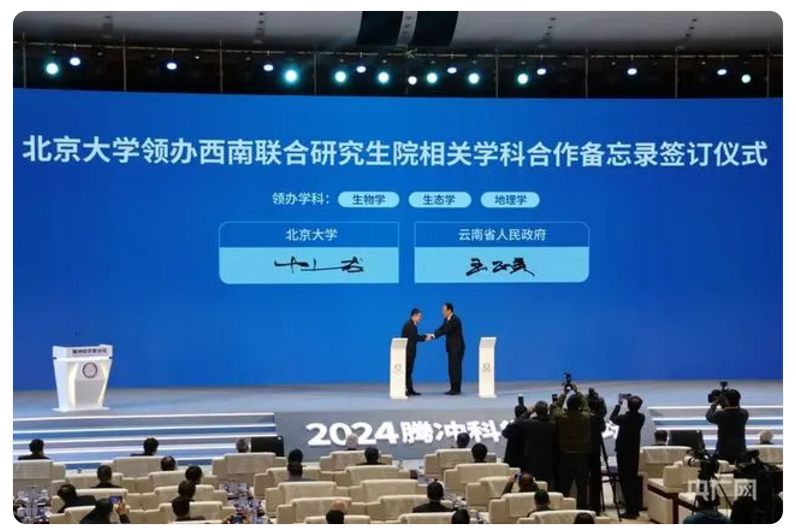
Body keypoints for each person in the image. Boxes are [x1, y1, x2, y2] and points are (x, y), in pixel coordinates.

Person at [551, 386, 591, 510]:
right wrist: (577, 391)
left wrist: (564, 393)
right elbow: (586, 405)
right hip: (581, 456)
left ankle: (564, 509)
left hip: (565, 456)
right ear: (579, 407)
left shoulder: (561, 417)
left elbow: (556, 407)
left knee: (564, 487)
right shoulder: (585, 417)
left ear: (567, 406)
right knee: (582, 487)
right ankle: (583, 510)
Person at [610, 394, 646, 519]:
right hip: (634, 453)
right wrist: (630, 400)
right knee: (632, 480)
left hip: (623, 453)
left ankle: (630, 511)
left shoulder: (625, 418)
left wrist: (619, 404)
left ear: (628, 406)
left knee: (625, 482)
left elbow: (612, 418)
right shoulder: (641, 417)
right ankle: (634, 509)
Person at [518, 401, 558, 487]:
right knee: (547, 482)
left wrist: (529, 412)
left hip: (532, 458)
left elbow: (519, 421)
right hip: (548, 457)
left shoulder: (530, 424)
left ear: (536, 411)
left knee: (533, 482)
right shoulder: (553, 424)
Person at [429, 303, 466, 395]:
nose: (442, 312)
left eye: (444, 310)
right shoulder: (446, 319)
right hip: (451, 348)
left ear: (449, 310)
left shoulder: (455, 320)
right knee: (451, 369)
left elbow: (446, 330)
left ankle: (456, 390)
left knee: (455, 369)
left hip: (457, 348)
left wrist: (433, 336)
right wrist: (432, 334)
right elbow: (441, 328)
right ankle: (453, 388)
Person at [706, 389, 749, 464]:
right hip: (740, 451)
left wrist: (715, 403)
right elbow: (737, 409)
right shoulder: (744, 413)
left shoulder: (720, 415)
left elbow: (709, 416)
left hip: (723, 452)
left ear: (726, 401)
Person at [402, 308, 432, 396]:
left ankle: (410, 390)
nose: (420, 318)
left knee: (409, 372)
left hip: (410, 352)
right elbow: (414, 337)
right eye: (419, 316)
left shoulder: (411, 324)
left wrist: (424, 337)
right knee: (407, 371)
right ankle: (406, 390)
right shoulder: (409, 325)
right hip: (408, 352)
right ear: (414, 315)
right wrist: (425, 337)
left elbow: (414, 337)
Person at [501, 404, 529, 469]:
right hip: (526, 460)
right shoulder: (530, 426)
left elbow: (504, 433)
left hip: (512, 459)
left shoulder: (512, 425)